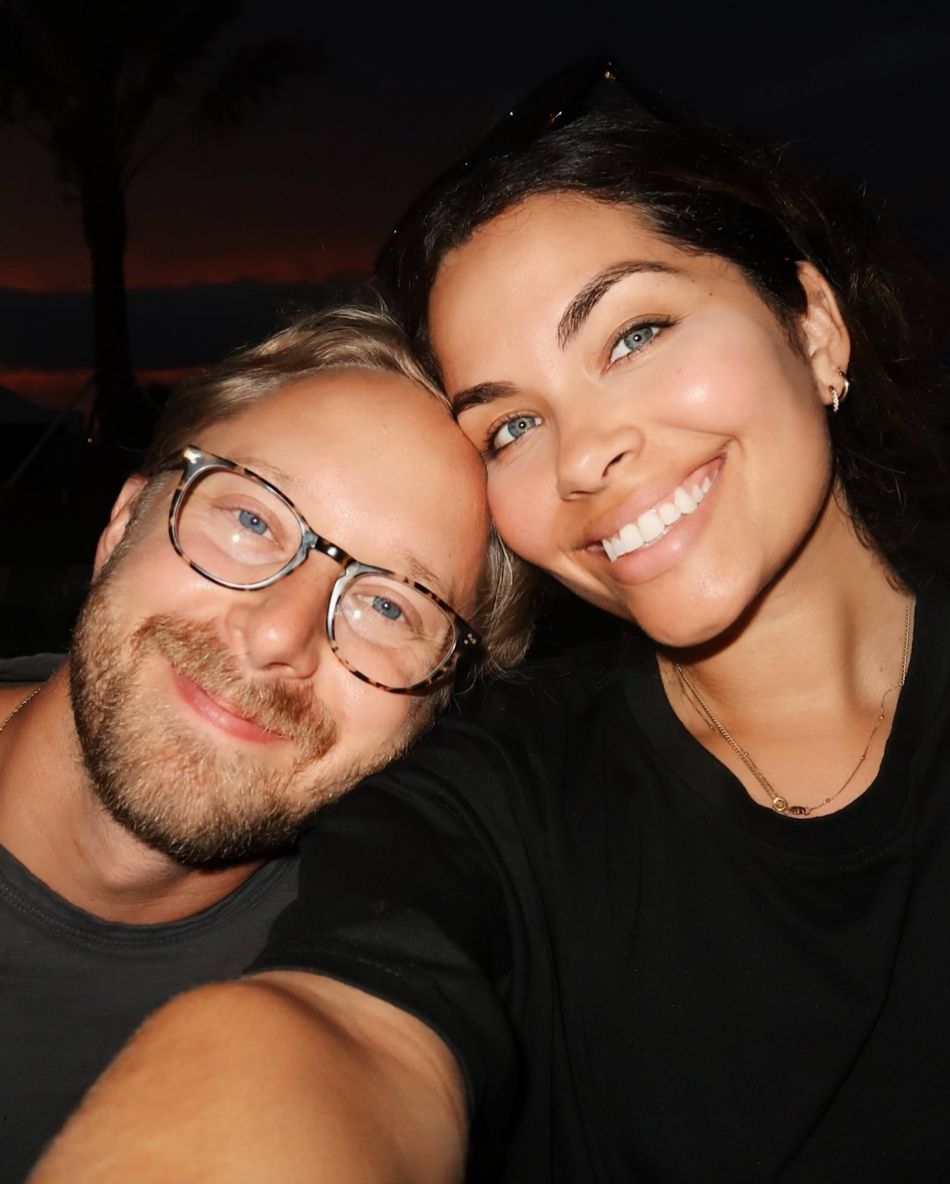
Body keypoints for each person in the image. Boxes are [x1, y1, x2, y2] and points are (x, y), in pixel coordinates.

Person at [30, 75, 950, 1183]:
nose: (579, 454)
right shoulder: (501, 797)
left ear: (810, 325)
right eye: (512, 420)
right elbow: (343, 1027)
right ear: (123, 514)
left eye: (633, 332)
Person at [0, 303, 530, 1184]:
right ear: (121, 523)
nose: (281, 635)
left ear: (437, 702)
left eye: (390, 606)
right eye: (251, 520)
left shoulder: (387, 947)